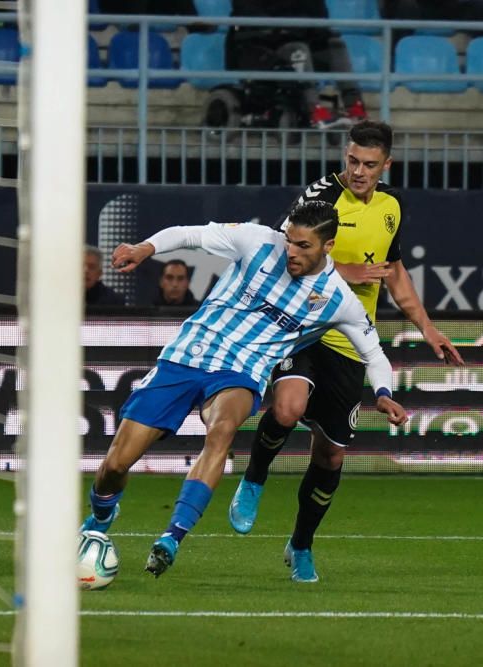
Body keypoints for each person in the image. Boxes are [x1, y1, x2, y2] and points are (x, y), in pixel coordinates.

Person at [79, 200, 408, 581]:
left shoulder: (338, 299)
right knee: (116, 464)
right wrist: (145, 248)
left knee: (221, 432)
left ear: (328, 247)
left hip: (240, 373)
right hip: (186, 357)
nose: (292, 252)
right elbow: (189, 234)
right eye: (290, 241)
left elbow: (374, 353)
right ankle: (103, 514)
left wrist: (383, 392)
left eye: (303, 246)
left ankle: (172, 537)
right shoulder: (256, 241)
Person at [227, 120, 464, 582]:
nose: (358, 171)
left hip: (352, 342)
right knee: (288, 407)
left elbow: (393, 271)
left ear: (386, 165)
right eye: (352, 160)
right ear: (344, 155)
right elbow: (280, 257)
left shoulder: (393, 205)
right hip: (305, 329)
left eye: (369, 165)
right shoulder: (319, 197)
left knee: (330, 457)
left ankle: (301, 546)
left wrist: (429, 328)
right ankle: (254, 477)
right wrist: (342, 270)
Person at [226, 1, 368, 129]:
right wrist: (287, 29)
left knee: (336, 45)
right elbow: (248, 14)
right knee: (299, 49)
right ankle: (314, 111)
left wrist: (316, 32)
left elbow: (319, 17)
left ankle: (355, 108)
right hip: (263, 44)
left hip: (300, 38)